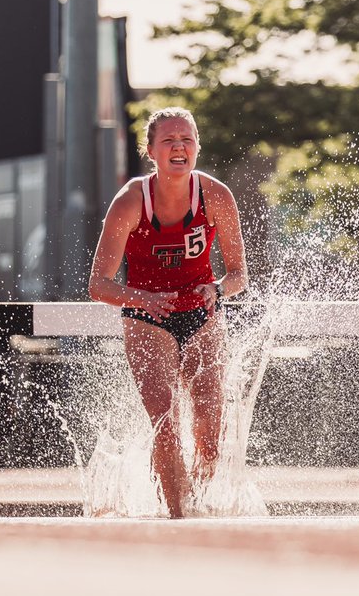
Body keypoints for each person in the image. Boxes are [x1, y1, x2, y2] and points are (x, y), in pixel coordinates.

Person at [89, 106, 248, 518]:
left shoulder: (216, 196)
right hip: (147, 318)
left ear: (197, 146)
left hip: (202, 314)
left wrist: (216, 288)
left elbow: (239, 276)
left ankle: (199, 502)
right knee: (166, 423)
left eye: (187, 140)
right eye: (169, 141)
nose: (179, 147)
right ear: (151, 151)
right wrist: (143, 299)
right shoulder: (130, 202)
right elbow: (98, 285)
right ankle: (178, 518)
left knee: (210, 428)